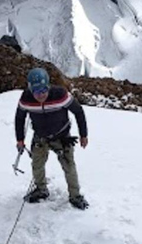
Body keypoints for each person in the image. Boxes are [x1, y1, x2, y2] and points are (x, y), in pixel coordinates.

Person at [15, 67, 90, 210]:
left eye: (44, 90)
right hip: (40, 137)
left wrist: (83, 134)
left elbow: (78, 111)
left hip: (62, 137)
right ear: (30, 89)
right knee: (37, 164)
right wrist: (20, 139)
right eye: (37, 91)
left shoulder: (60, 95)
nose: (41, 95)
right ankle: (41, 189)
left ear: (48, 86)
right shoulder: (26, 98)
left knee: (69, 167)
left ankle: (75, 196)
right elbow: (20, 118)